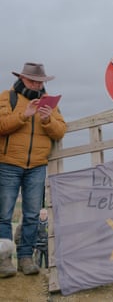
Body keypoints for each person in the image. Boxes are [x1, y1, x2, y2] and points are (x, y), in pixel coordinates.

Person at [0, 63, 66, 277]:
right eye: (33, 81)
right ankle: (4, 261)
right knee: (4, 215)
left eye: (40, 82)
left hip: (37, 165)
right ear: (22, 78)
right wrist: (24, 115)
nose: (37, 85)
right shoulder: (6, 97)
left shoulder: (50, 104)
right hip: (8, 163)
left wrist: (47, 120)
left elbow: (60, 131)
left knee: (31, 215)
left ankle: (26, 258)